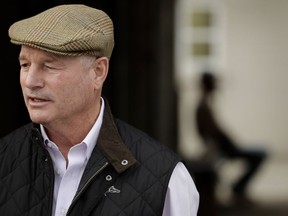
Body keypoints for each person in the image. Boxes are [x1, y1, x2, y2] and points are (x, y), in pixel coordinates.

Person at [0, 4, 199, 216]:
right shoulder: (4, 158)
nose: (31, 81)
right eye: (25, 65)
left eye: (49, 66)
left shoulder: (167, 180)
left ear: (98, 71)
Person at [195, 71, 267, 202]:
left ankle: (238, 187)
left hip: (223, 146)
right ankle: (239, 188)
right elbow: (213, 132)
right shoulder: (203, 106)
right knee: (261, 155)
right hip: (222, 148)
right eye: (213, 82)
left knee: (260, 153)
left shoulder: (205, 104)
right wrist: (227, 142)